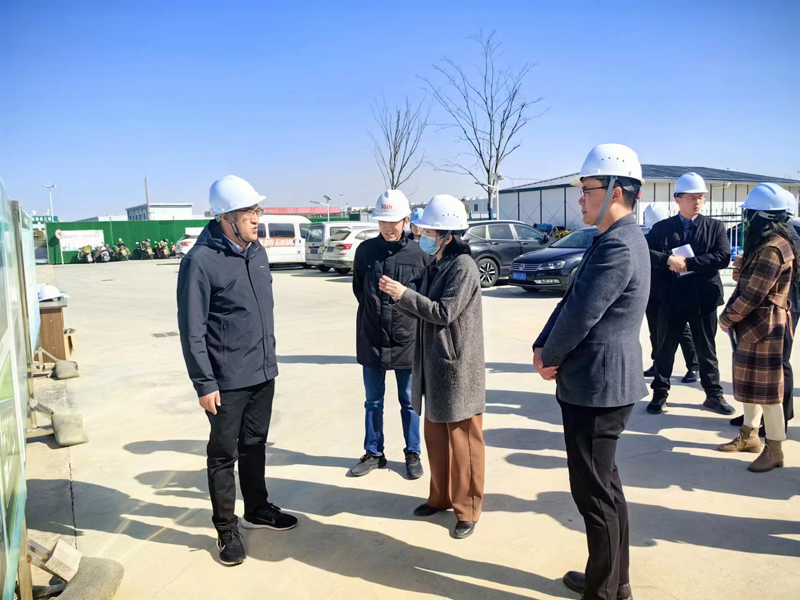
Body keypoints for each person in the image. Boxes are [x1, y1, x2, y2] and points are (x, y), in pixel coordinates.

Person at [533, 144, 650, 600]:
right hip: (599, 384)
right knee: (607, 490)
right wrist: (543, 344)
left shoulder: (619, 244)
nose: (580, 199)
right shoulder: (612, 238)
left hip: (598, 387)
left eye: (588, 190)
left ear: (616, 192)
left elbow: (583, 313)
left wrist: (550, 356)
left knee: (594, 496)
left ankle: (603, 591)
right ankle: (614, 581)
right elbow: (571, 300)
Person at [177, 175, 297, 567]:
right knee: (223, 455)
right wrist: (204, 382)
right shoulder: (200, 261)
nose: (256, 218)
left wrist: (269, 362)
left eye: (257, 210)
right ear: (226, 217)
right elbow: (192, 330)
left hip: (263, 372)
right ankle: (226, 529)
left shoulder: (256, 251)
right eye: (248, 212)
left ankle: (257, 509)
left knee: (255, 445)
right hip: (226, 382)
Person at [378, 194, 485, 540]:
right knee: (436, 439)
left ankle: (467, 508)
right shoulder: (436, 262)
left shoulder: (463, 267)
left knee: (463, 443)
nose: (422, 234)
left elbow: (443, 312)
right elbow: (424, 305)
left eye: (428, 231)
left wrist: (403, 295)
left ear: (447, 235)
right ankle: (440, 497)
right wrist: (399, 296)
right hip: (434, 365)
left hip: (456, 369)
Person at [718, 183, 798, 471]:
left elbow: (753, 295)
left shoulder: (773, 249)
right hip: (754, 326)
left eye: (749, 213)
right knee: (751, 385)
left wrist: (727, 318)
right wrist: (743, 269)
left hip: (765, 326)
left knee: (768, 393)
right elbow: (752, 285)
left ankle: (774, 449)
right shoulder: (765, 245)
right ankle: (749, 436)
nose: (746, 219)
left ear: (761, 216)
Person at [350, 190, 428, 479]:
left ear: (406, 220)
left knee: (409, 401)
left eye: (393, 221)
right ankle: (374, 453)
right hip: (371, 337)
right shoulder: (365, 251)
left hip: (407, 339)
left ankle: (412, 452)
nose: (388, 227)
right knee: (373, 401)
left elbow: (423, 299)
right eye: (383, 221)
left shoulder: (420, 254)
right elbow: (359, 289)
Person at [645, 172, 733, 415]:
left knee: (706, 349)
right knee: (664, 349)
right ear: (678, 199)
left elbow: (722, 257)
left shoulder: (715, 227)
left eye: (701, 197)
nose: (697, 202)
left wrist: (688, 263)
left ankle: (713, 395)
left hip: (702, 300)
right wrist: (667, 260)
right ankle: (660, 394)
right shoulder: (662, 228)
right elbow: (644, 251)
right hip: (670, 299)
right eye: (692, 197)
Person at [730, 200, 800, 434]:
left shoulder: (778, 244)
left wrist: (728, 317)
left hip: (776, 311)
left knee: (775, 369)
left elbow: (757, 291)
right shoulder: (765, 240)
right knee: (756, 371)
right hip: (762, 313)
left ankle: (777, 427)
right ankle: (754, 423)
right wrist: (745, 269)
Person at [642, 203, 699, 383]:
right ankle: (658, 363)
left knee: (681, 330)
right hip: (652, 290)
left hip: (672, 290)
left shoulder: (676, 235)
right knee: (654, 329)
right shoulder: (647, 237)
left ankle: (694, 366)